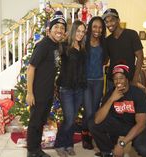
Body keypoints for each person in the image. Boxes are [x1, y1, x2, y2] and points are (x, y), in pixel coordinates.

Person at [88, 63, 146, 157]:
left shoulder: (138, 94)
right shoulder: (111, 94)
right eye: (115, 79)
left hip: (136, 125)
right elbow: (97, 120)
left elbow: (141, 124)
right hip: (118, 123)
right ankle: (108, 152)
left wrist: (121, 144)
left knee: (143, 148)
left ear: (127, 79)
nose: (118, 81)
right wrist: (111, 99)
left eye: (121, 78)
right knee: (92, 124)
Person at [26, 11, 67, 157]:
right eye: (57, 27)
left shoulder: (56, 46)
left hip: (48, 92)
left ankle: (37, 149)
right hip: (38, 93)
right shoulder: (43, 45)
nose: (60, 30)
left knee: (41, 121)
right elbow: (31, 69)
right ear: (49, 29)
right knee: (35, 123)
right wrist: (29, 93)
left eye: (62, 28)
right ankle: (32, 151)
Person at [54, 20, 86, 157]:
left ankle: (69, 144)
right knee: (69, 119)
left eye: (83, 31)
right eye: (78, 31)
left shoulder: (83, 48)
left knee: (73, 119)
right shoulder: (64, 46)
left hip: (79, 88)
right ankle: (60, 144)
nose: (80, 34)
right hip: (66, 88)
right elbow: (53, 50)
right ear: (73, 31)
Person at [82, 16, 107, 150]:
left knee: (95, 109)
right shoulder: (84, 41)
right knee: (89, 110)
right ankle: (85, 135)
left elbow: (104, 61)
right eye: (95, 26)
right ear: (90, 27)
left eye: (100, 27)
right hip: (86, 81)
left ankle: (91, 135)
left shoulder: (104, 43)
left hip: (98, 81)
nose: (97, 29)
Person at [103, 8, 143, 89]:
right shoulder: (107, 40)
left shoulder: (131, 34)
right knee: (111, 101)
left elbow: (140, 56)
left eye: (112, 20)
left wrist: (135, 79)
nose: (109, 24)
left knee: (128, 102)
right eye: (106, 22)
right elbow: (105, 61)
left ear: (118, 20)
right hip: (112, 81)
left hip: (129, 80)